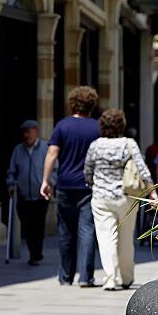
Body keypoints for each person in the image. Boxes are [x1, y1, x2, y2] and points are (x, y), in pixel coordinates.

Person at [84, 109, 157, 291]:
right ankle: (126, 277)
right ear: (121, 125)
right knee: (125, 238)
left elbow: (87, 170)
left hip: (101, 198)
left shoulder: (95, 145)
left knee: (106, 238)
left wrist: (93, 185)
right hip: (126, 197)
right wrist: (152, 192)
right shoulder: (129, 144)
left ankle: (110, 278)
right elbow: (142, 169)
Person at [40, 86, 100, 287]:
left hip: (65, 185)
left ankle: (66, 276)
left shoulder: (62, 126)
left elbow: (52, 154)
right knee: (87, 230)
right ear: (91, 105)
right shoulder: (97, 127)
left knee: (66, 232)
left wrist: (45, 180)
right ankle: (85, 276)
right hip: (89, 186)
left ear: (73, 103)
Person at [7, 119, 54, 266]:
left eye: (29, 132)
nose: (27, 135)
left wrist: (51, 183)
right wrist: (10, 184)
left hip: (41, 196)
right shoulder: (18, 150)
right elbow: (12, 171)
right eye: (25, 132)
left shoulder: (45, 149)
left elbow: (55, 169)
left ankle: (36, 254)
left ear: (36, 131)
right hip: (23, 195)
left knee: (38, 226)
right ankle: (34, 252)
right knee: (27, 227)